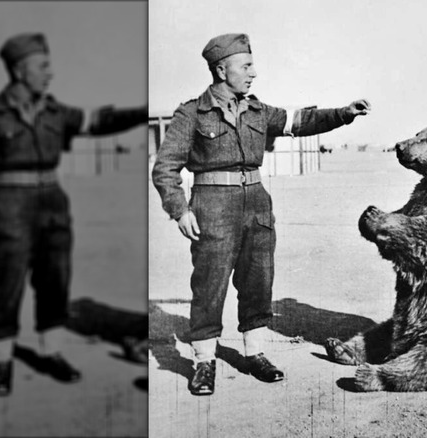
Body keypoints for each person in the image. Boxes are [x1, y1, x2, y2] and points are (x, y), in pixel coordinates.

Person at [151, 33, 370, 396]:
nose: (254, 73)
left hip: (257, 205)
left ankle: (256, 353)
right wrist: (179, 210)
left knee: (258, 281)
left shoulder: (258, 110)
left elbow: (301, 121)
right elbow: (165, 169)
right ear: (222, 70)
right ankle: (204, 362)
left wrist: (343, 114)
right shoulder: (191, 113)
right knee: (209, 284)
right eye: (246, 66)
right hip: (212, 206)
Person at [0, 33, 147, 396]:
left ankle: (51, 351)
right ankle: (0, 361)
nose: (50, 73)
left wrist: (142, 112)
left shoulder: (56, 111)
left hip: (54, 205)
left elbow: (98, 122)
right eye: (43, 66)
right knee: (6, 284)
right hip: (9, 205)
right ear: (19, 70)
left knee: (55, 281)